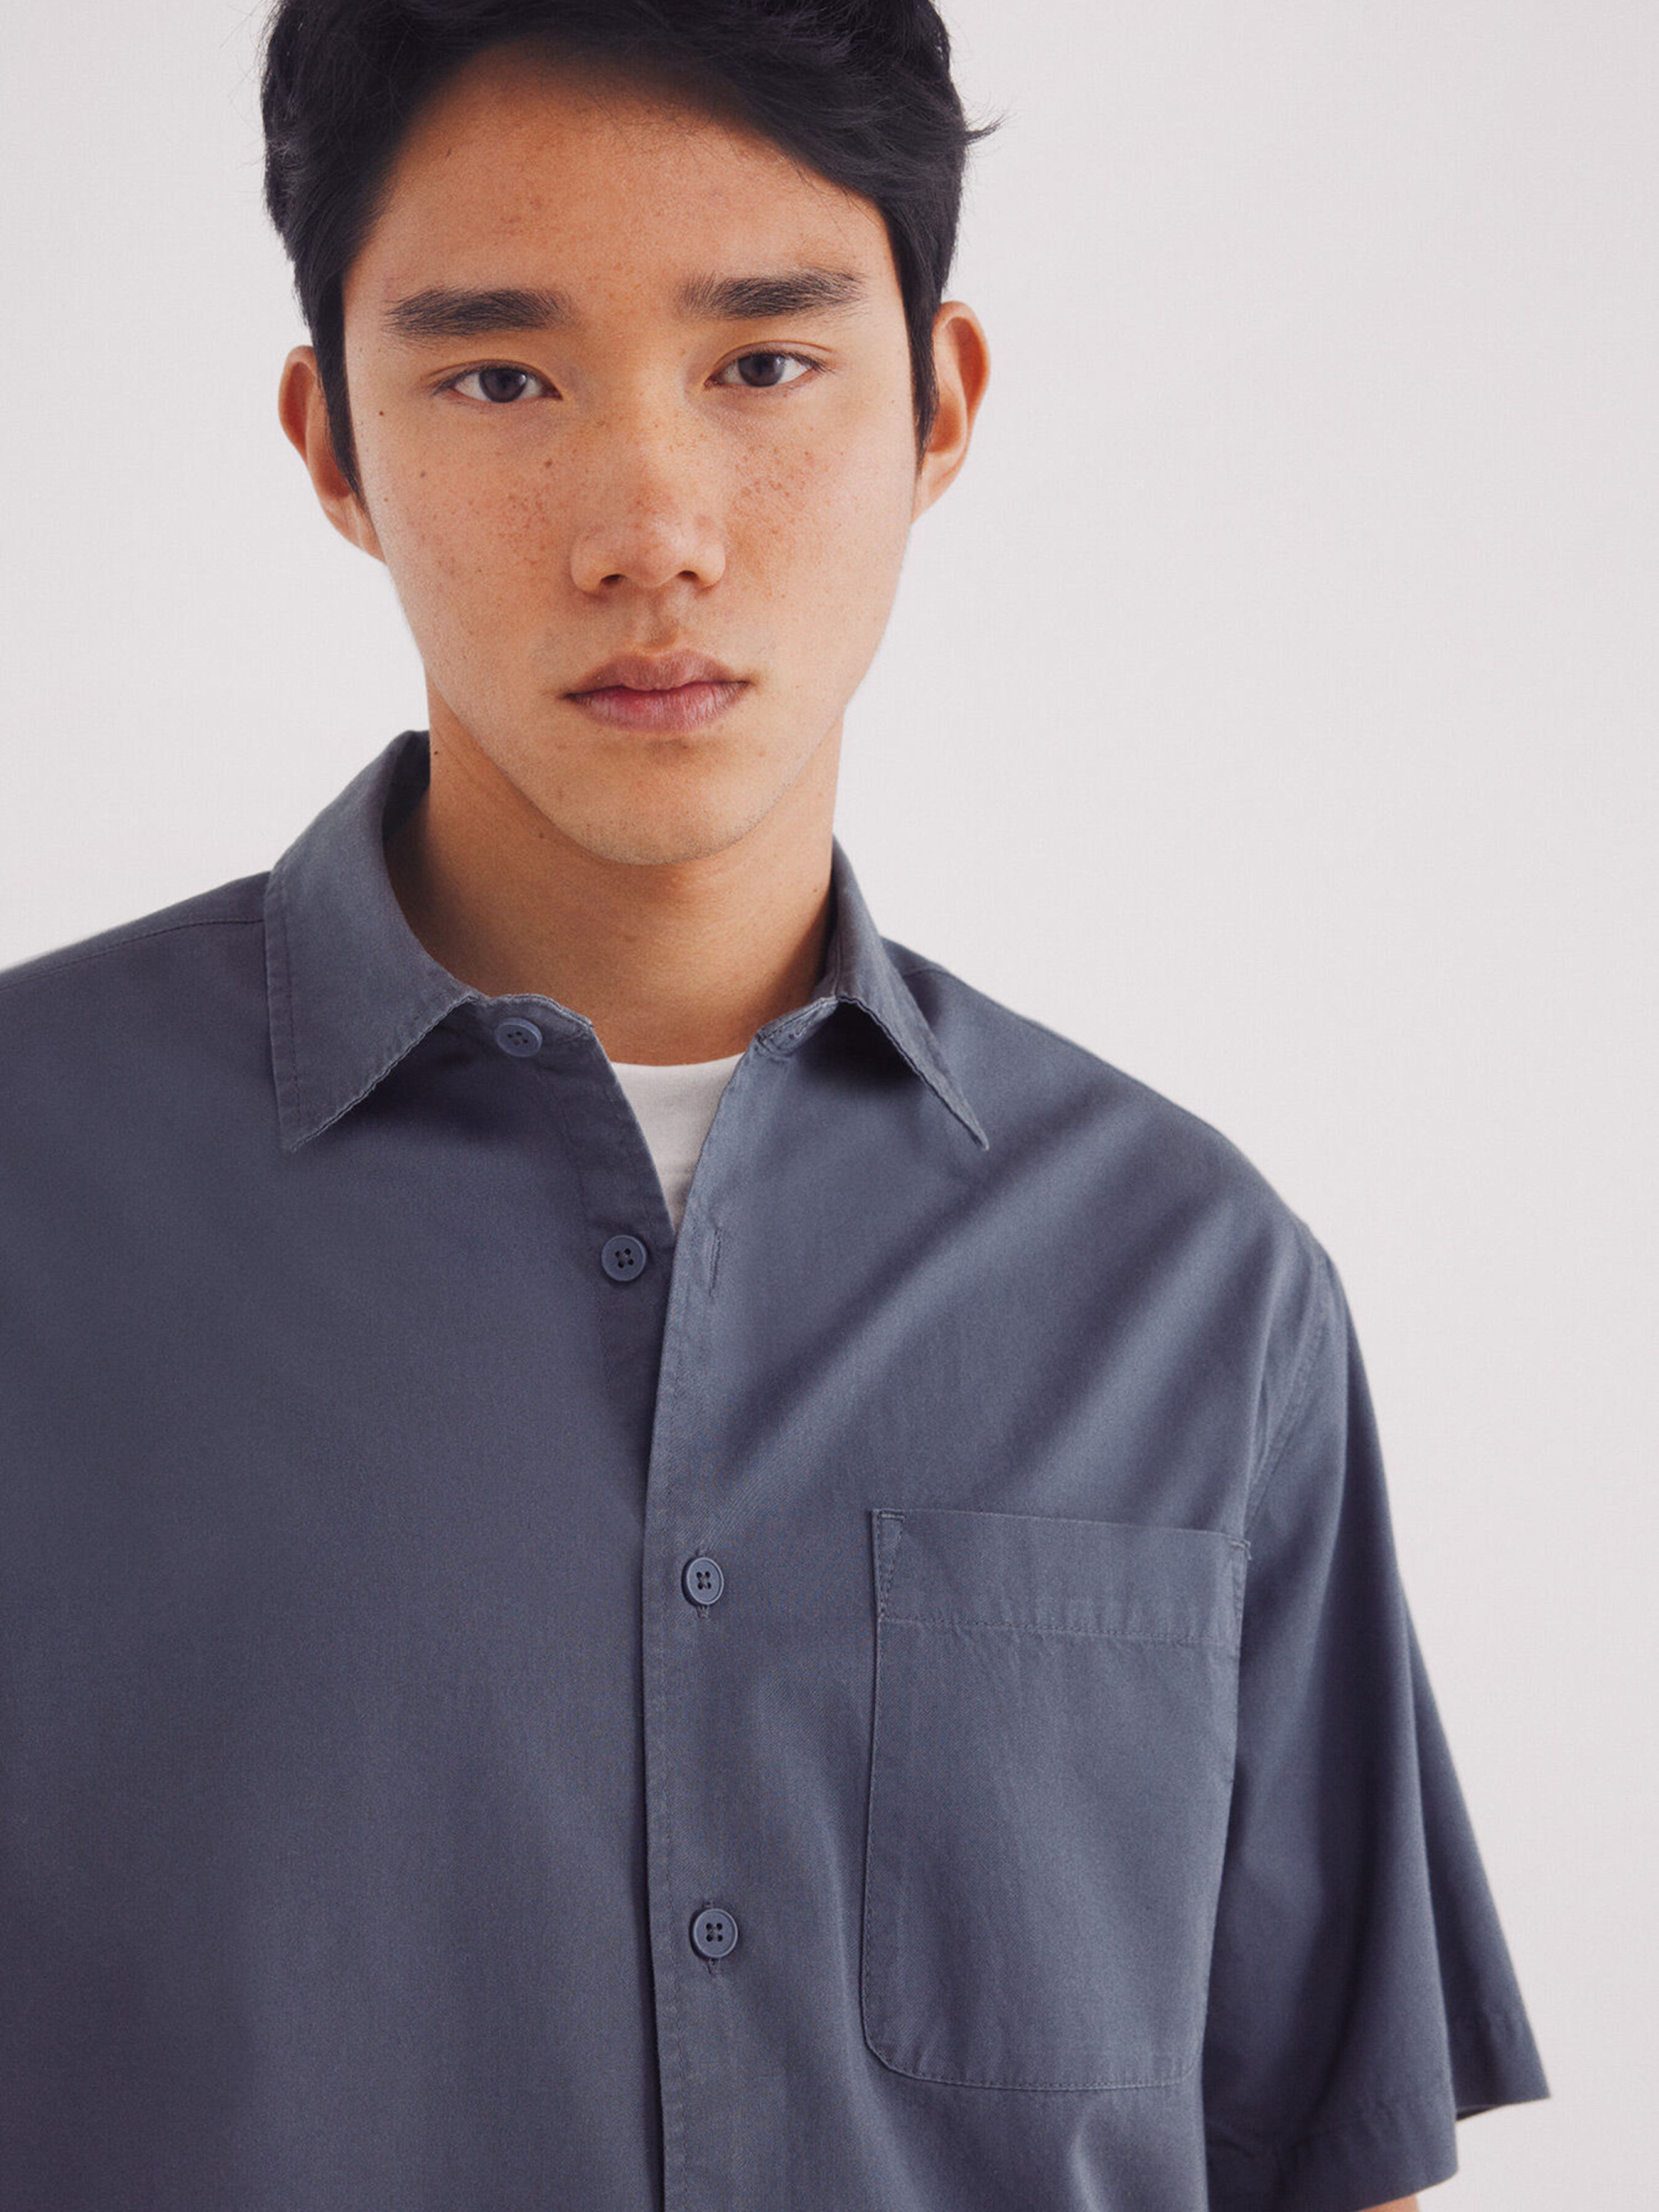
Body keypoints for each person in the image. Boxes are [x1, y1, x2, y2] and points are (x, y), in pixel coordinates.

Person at [0, 3, 1548, 2207]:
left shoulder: (1196, 1284)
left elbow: (1324, 2158)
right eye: (501, 378)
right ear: (332, 444)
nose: (653, 532)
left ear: (938, 406)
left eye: (761, 362)